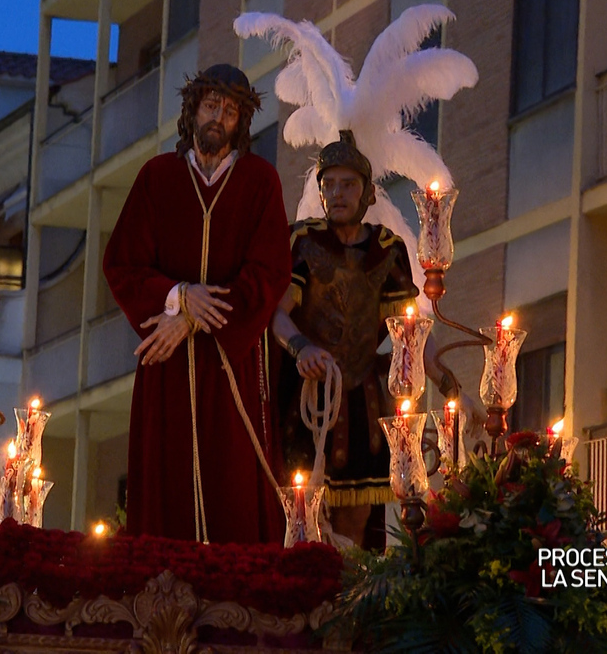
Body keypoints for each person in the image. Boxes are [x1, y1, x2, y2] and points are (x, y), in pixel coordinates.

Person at [103, 64, 291, 544]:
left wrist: (191, 318)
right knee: (166, 485)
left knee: (234, 484)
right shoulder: (156, 177)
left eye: (230, 111)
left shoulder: (259, 182)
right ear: (192, 111)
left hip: (233, 363)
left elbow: (269, 270)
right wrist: (178, 298)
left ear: (241, 122)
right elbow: (123, 264)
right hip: (165, 365)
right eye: (211, 106)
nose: (218, 118)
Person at [270, 131, 457, 549]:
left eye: (348, 184)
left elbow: (409, 332)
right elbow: (277, 315)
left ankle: (350, 598)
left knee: (357, 519)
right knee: (305, 516)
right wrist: (301, 348)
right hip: (308, 395)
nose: (337, 193)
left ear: (368, 193)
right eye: (329, 184)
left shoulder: (386, 249)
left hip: (363, 399)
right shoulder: (302, 242)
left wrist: (443, 376)